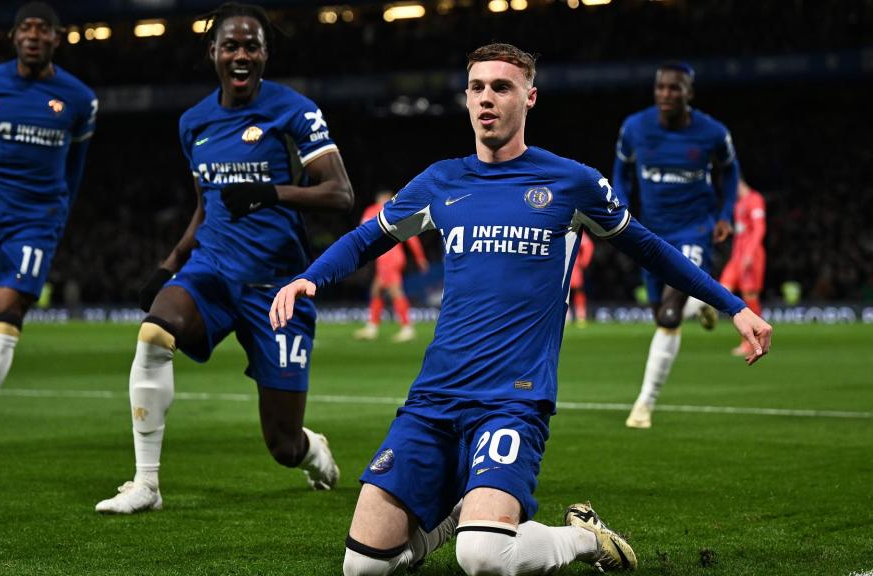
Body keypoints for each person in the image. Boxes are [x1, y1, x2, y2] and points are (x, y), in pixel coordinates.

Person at [270, 43, 772, 576]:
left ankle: (582, 540)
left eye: (502, 87)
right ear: (466, 99)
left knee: (483, 557)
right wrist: (309, 277)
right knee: (362, 568)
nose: (487, 98)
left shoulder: (571, 183)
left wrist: (732, 304)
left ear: (529, 98)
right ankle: (463, 514)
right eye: (477, 88)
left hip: (513, 402)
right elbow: (366, 239)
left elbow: (651, 249)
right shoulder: (441, 181)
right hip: (434, 399)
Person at [95, 2, 354, 514]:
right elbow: (205, 207)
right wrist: (169, 264)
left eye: (251, 46)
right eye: (230, 45)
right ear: (212, 52)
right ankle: (146, 484)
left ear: (265, 53)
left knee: (282, 445)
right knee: (154, 332)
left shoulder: (294, 111)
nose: (241, 54)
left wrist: (270, 192)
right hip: (212, 270)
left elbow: (340, 193)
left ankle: (312, 451)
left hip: (277, 289)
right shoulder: (194, 123)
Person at [0, 2, 97, 464]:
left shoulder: (80, 100)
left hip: (36, 221)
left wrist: (54, 221)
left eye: (42, 29)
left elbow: (75, 171)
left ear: (57, 38)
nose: (33, 35)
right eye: (25, 28)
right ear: (13, 37)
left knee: (9, 310)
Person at [613, 62, 741, 429]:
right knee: (661, 314)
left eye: (675, 88)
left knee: (669, 317)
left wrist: (725, 213)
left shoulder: (713, 133)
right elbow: (620, 170)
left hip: (694, 230)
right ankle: (702, 299)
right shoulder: (634, 128)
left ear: (689, 92)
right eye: (661, 88)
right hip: (649, 233)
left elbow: (731, 171)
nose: (666, 94)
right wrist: (619, 204)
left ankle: (644, 404)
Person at [353, 190, 429, 343]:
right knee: (377, 290)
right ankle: (372, 327)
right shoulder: (395, 211)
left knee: (395, 291)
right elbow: (411, 236)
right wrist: (419, 258)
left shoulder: (373, 211)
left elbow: (363, 233)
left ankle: (407, 328)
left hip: (389, 257)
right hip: (390, 257)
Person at [719, 179, 767, 356]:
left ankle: (752, 342)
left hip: (750, 256)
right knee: (722, 289)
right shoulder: (739, 204)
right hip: (737, 257)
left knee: (750, 296)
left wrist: (749, 253)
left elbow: (759, 229)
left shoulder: (755, 199)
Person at [568, 233, 594, 327]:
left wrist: (583, 262)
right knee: (563, 292)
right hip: (560, 266)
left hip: (573, 266)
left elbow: (588, 246)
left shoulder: (575, 230)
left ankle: (580, 315)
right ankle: (567, 316)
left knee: (577, 290)